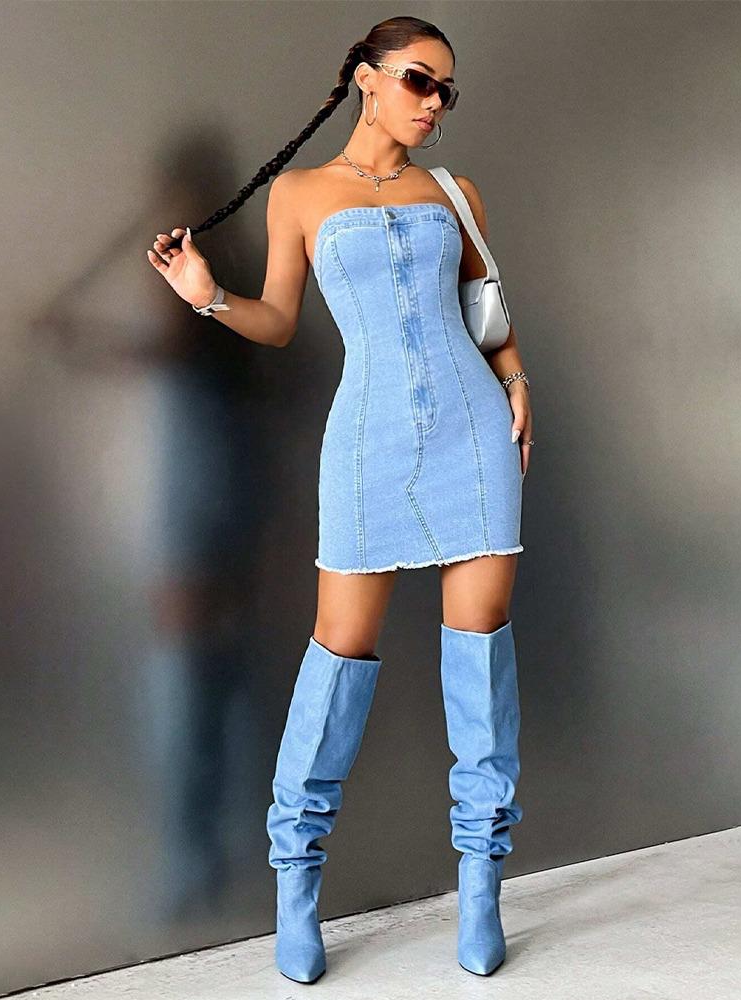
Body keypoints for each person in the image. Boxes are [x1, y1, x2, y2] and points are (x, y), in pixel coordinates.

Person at [146, 15, 533, 984]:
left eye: (447, 89)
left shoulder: (455, 191)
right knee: (339, 652)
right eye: (418, 80)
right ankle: (296, 881)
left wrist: (518, 378)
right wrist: (204, 295)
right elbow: (279, 320)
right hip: (366, 441)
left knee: (481, 656)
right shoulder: (299, 193)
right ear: (367, 77)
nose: (435, 102)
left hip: (473, 435)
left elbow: (485, 304)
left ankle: (481, 885)